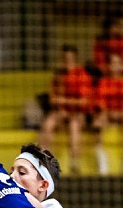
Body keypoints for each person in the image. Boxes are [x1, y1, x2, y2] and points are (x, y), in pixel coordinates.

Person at [39, 45, 93, 174]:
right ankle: (45, 162)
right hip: (61, 112)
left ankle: (75, 161)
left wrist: (64, 102)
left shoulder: (82, 75)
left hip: (78, 113)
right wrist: (61, 106)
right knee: (48, 124)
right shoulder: (58, 75)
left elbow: (84, 102)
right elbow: (52, 99)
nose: (67, 61)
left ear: (75, 59)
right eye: (65, 58)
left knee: (74, 126)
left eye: (70, 59)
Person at [93, 53, 123, 176]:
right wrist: (109, 112)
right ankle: (102, 164)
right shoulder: (103, 82)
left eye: (118, 63)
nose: (115, 66)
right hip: (107, 113)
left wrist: (122, 112)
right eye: (113, 63)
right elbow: (100, 103)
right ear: (108, 66)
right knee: (97, 125)